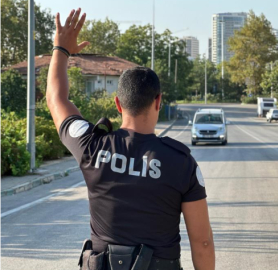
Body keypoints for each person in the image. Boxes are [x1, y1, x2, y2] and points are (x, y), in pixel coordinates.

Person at [46, 8, 215, 270]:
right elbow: (202, 243)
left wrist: (61, 49)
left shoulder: (91, 145)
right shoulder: (181, 162)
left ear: (118, 104)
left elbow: (56, 99)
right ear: (158, 101)